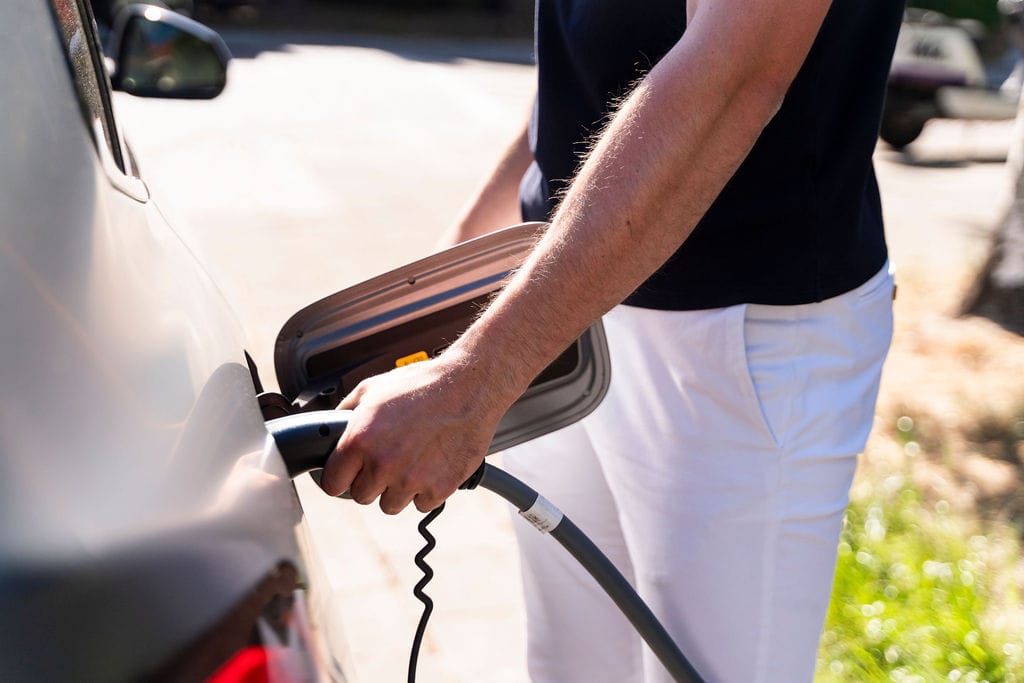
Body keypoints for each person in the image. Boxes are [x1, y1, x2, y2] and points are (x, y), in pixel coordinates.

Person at [321, 1, 903, 680]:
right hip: (559, 297)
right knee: (572, 666)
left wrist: (475, 378)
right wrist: (443, 295)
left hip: (737, 334)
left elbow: (734, 78)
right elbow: (590, 70)